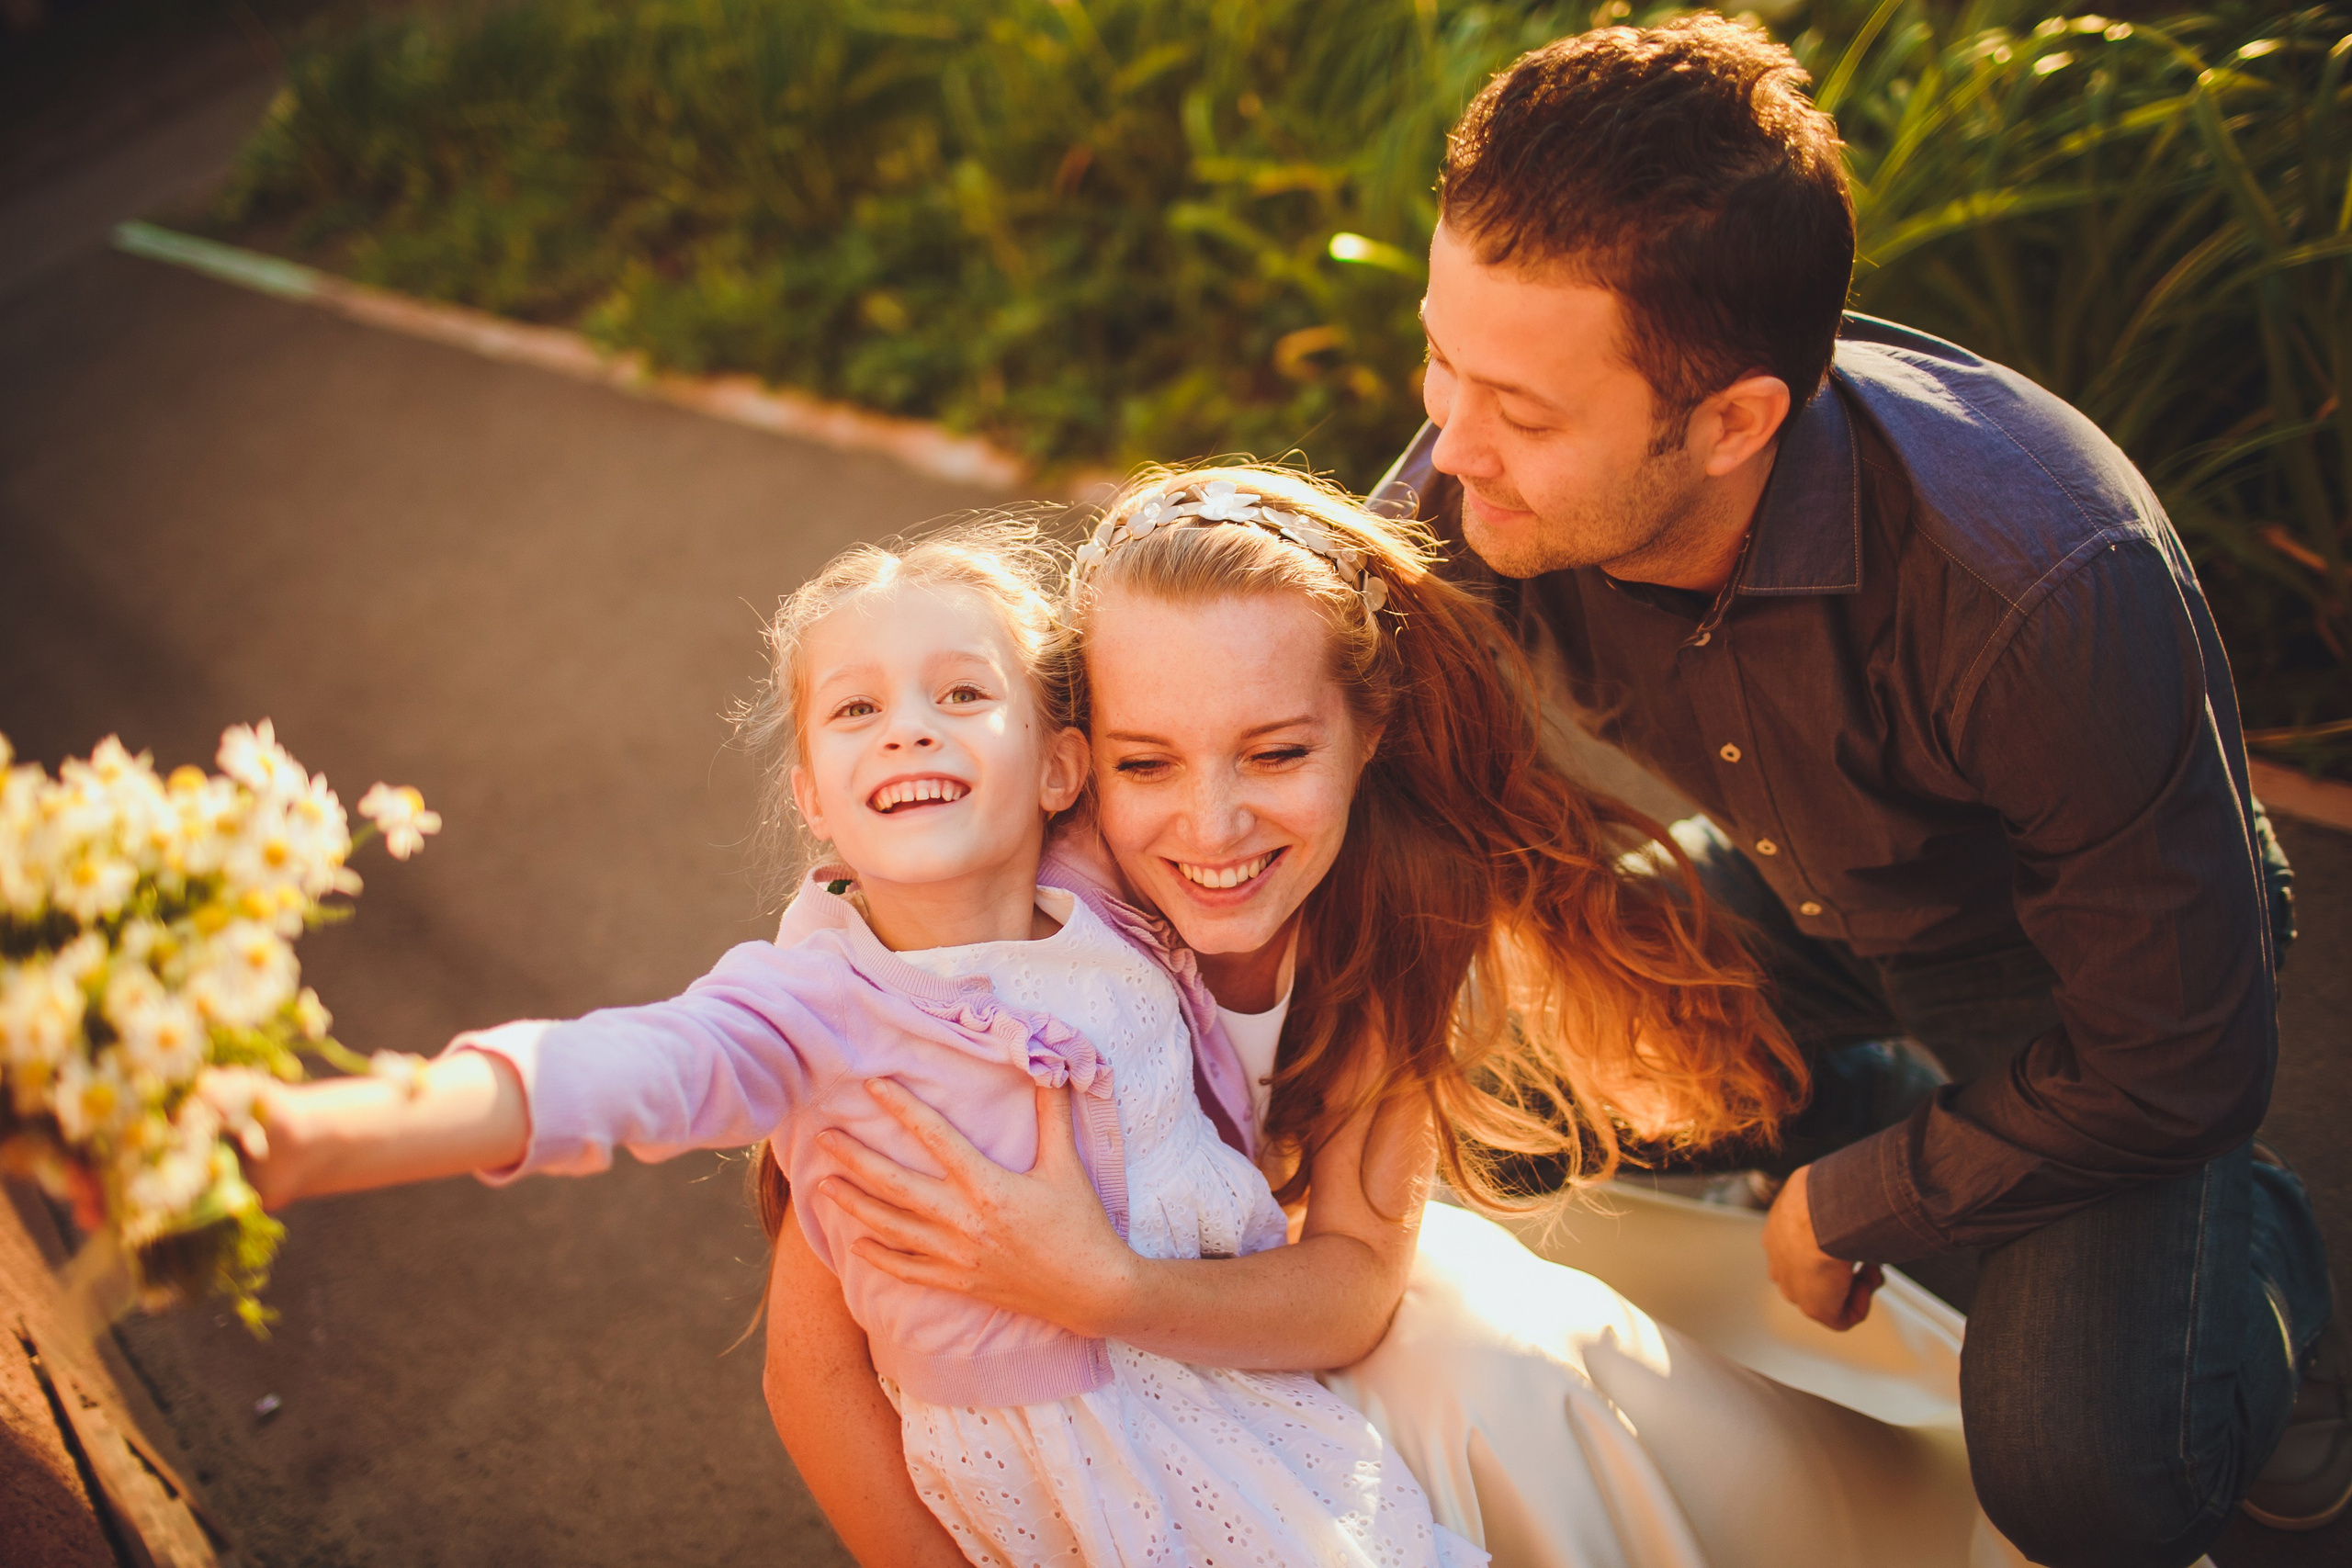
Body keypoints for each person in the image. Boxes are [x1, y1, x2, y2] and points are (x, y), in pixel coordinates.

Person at [1374, 12, 2345, 1560]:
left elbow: (2181, 1053)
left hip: (2078, 980)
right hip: (1806, 888)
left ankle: (2257, 1253)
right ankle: (1859, 1095)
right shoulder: (1489, 445)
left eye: (1524, 413)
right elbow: (1308, 665)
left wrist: (1858, 1205)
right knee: (1492, 1082)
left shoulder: (2041, 587)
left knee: (2085, 1473)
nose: (1447, 438)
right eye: (1440, 352)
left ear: (1734, 420)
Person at [771, 462, 2034, 1567]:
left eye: (1275, 754)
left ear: (1368, 729)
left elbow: (1355, 1279)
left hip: (1276, 1250)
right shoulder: (971, 940)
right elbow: (815, 1370)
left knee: (1481, 1334)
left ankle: (1856, 1113)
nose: (1211, 830)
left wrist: (1097, 1285)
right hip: (1128, 1376)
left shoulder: (1398, 898)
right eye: (1142, 763)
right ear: (1064, 758)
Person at [240, 521, 1487, 1565]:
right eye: (857, 709)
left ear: (1063, 769)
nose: (908, 729)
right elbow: (626, 1070)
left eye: (960, 694)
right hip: (1076, 1488)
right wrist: (325, 1133)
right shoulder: (815, 1013)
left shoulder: (1106, 895)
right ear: (815, 799)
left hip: (1257, 1412)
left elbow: (1232, 705)